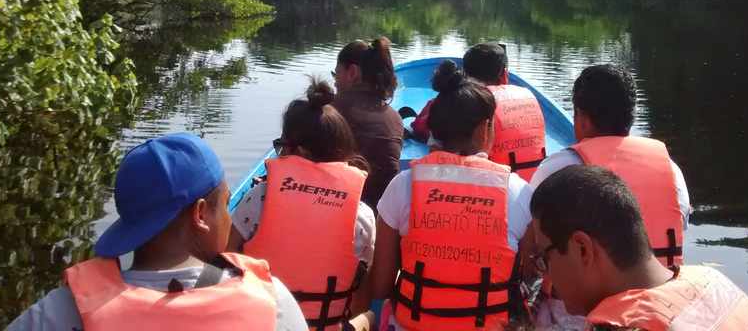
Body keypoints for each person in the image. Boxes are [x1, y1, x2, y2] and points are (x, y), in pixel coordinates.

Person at [7, 132, 308, 331]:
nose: (229, 217)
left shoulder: (60, 313)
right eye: (226, 204)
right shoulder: (273, 305)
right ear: (200, 213)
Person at [371, 60, 535, 331]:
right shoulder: (518, 191)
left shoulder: (402, 186)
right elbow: (529, 275)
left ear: (433, 131)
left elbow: (380, 287)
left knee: (387, 309)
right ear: (485, 129)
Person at [530, 164, 748, 330]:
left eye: (543, 259)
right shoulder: (713, 280)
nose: (543, 274)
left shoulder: (617, 327)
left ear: (582, 250)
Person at [229, 78, 376, 331]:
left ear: (300, 151)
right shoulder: (361, 215)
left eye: (280, 147)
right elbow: (361, 300)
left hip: (260, 324)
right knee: (371, 317)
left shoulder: (258, 198)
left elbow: (224, 259)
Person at [530, 64, 690, 268]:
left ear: (581, 118)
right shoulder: (671, 170)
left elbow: (531, 242)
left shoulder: (556, 171)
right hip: (666, 293)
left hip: (589, 299)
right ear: (630, 116)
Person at [411, 44, 546, 182]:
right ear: (504, 75)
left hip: (483, 183)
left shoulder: (460, 103)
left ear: (464, 76)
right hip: (529, 184)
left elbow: (423, 125)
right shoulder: (526, 96)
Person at [331, 37, 404, 210]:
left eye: (336, 73)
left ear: (352, 72)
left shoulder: (327, 108)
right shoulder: (394, 119)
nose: (335, 81)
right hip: (380, 219)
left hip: (334, 212)